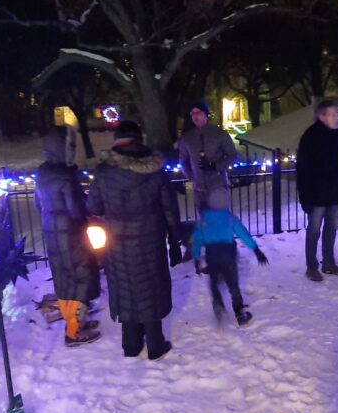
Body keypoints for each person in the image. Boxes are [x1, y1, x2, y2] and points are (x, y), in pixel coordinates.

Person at [87, 120, 184, 361]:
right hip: (150, 241)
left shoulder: (104, 172)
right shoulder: (155, 170)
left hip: (118, 244)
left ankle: (130, 344)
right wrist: (174, 242)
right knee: (151, 287)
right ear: (139, 140)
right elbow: (170, 210)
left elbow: (94, 207)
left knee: (126, 286)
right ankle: (155, 344)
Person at [35, 124, 101, 346]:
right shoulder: (65, 175)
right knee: (81, 276)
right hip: (71, 234)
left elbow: (38, 204)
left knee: (64, 278)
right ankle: (73, 332)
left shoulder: (42, 173)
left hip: (51, 232)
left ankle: (75, 321)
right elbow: (76, 209)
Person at [192, 189, 269, 326]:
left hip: (212, 255)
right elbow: (243, 234)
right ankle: (239, 312)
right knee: (233, 284)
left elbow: (197, 240)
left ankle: (217, 303)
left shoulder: (203, 220)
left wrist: (197, 258)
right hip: (228, 255)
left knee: (214, 281)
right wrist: (256, 250)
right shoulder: (229, 218)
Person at [296, 99, 338, 281]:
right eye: (333, 114)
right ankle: (311, 266)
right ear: (322, 116)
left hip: (335, 193)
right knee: (314, 231)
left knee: (331, 230)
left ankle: (328, 262)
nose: (337, 118)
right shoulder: (311, 137)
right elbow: (303, 169)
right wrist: (305, 196)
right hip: (316, 195)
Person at [178, 99, 238, 210]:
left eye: (198, 113)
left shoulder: (219, 134)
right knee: (205, 222)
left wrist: (215, 166)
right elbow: (183, 160)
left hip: (218, 185)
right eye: (193, 113)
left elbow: (233, 156)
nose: (195, 116)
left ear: (205, 114)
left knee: (220, 219)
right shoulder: (187, 138)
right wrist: (191, 177)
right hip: (199, 188)